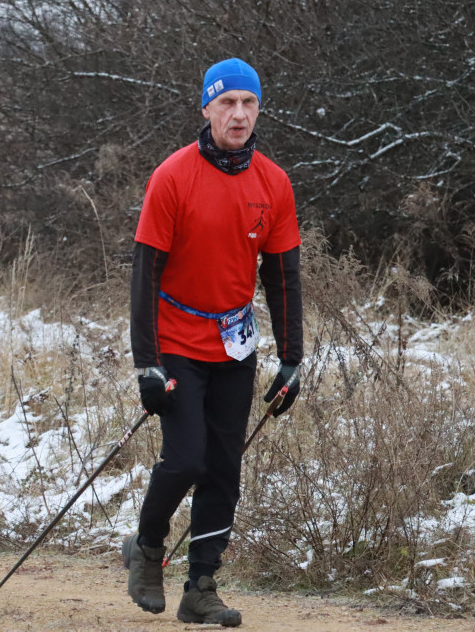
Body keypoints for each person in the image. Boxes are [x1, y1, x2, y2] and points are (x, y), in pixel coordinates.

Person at [123, 57, 303, 627]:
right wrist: (146, 364)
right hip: (176, 338)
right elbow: (145, 273)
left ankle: (201, 586)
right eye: (227, 103)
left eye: (249, 103)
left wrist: (292, 358)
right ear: (206, 107)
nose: (239, 114)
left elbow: (282, 276)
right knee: (186, 458)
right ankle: (148, 549)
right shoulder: (173, 176)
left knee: (224, 467)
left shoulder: (273, 182)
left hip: (235, 345)